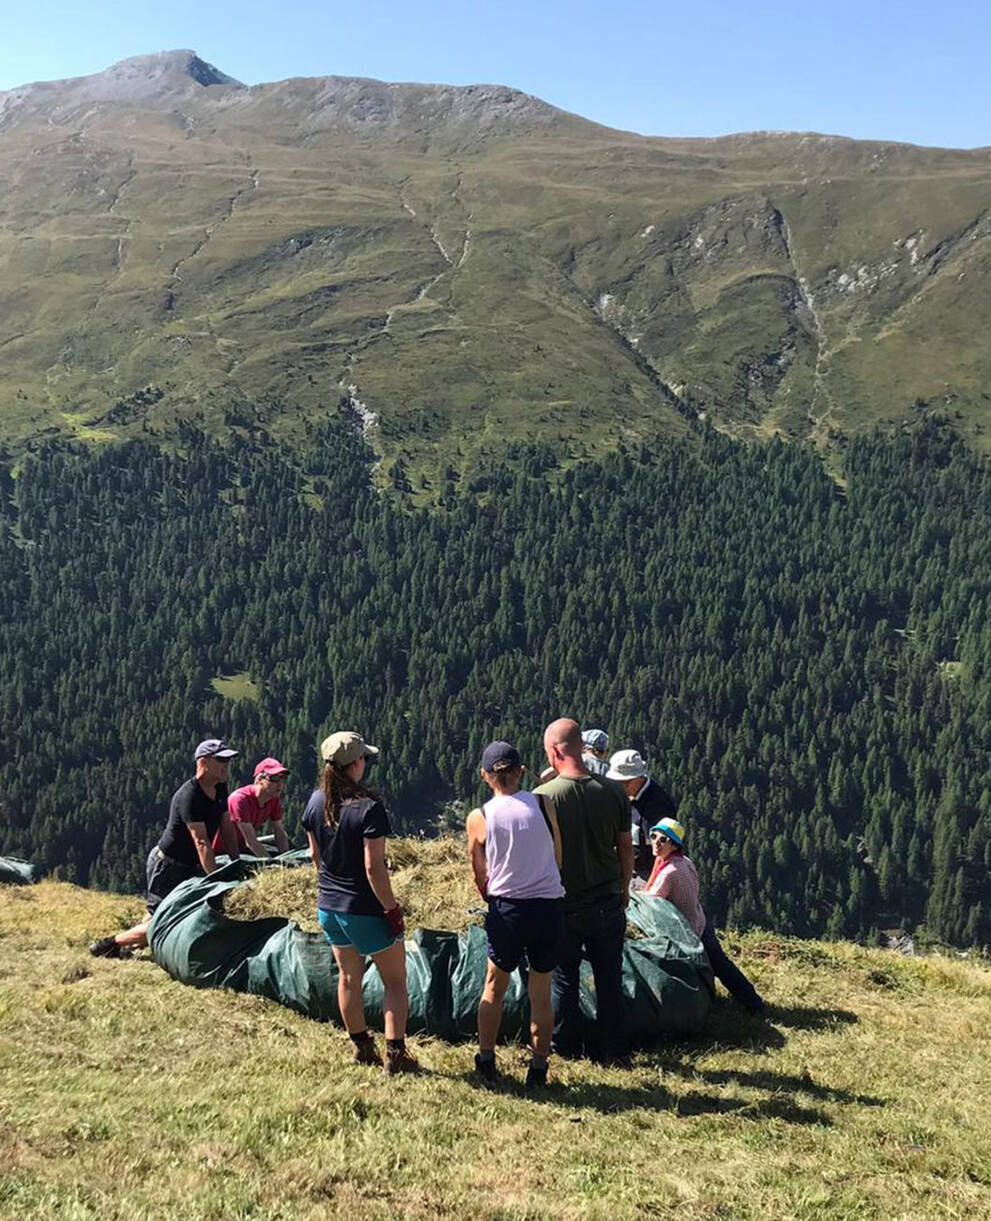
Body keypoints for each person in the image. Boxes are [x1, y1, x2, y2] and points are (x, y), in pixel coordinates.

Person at [302, 730, 418, 1074]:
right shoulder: (369, 808)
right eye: (364, 757)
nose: (366, 762)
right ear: (355, 764)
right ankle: (395, 1055)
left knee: (349, 977)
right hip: (364, 908)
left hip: (329, 907)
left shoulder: (315, 802)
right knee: (395, 981)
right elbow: (374, 868)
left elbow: (313, 853)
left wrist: (328, 883)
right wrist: (391, 908)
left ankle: (362, 1047)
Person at [466, 740, 565, 1089]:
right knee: (542, 988)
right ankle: (538, 1068)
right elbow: (558, 858)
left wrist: (489, 894)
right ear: (521, 771)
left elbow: (478, 870)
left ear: (485, 776)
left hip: (508, 908)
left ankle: (487, 1060)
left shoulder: (480, 817)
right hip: (548, 905)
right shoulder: (544, 802)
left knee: (495, 985)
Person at [535, 718, 634, 1063]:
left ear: (555, 751)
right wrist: (623, 888)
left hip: (562, 903)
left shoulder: (544, 797)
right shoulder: (614, 792)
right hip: (607, 900)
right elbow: (625, 847)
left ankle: (566, 1046)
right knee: (609, 978)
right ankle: (614, 1050)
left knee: (565, 980)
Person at [89, 739, 241, 957]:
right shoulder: (190, 796)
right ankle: (108, 944)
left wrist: (236, 862)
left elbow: (226, 826)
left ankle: (127, 947)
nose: (226, 765)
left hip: (189, 864)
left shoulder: (220, 787)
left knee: (156, 914)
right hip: (168, 867)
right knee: (162, 919)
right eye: (221, 760)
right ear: (204, 762)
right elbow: (201, 841)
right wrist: (217, 878)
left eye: (228, 760)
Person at [645, 817, 765, 1013]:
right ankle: (749, 1001)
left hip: (689, 930)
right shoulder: (683, 861)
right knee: (720, 964)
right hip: (700, 920)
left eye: (663, 840)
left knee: (717, 966)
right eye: (653, 836)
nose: (656, 843)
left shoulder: (670, 872)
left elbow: (651, 900)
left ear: (674, 845)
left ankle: (752, 1004)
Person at [606, 748, 678, 884]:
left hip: (646, 873)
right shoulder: (623, 794)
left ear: (639, 778)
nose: (619, 787)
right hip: (623, 863)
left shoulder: (658, 806)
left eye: (624, 782)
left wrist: (650, 885)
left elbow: (663, 851)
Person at [211, 756, 291, 858]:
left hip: (243, 848)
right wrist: (272, 864)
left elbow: (279, 832)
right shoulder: (240, 800)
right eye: (274, 778)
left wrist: (285, 858)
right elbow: (251, 841)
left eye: (282, 778)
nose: (280, 784)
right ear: (259, 780)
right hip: (224, 854)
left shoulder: (273, 798)